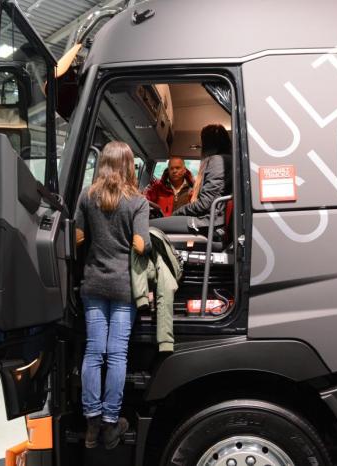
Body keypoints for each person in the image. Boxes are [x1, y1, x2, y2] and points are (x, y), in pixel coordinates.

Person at [75, 141, 150, 450]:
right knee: (117, 354)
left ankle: (91, 422)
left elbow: (78, 238)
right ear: (129, 165)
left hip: (93, 282)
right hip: (122, 286)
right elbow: (141, 245)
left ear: (103, 163)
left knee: (94, 351)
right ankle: (110, 422)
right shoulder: (137, 201)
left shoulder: (87, 196)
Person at [151, 124, 232, 233]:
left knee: (149, 226)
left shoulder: (217, 161)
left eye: (203, 142)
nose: (202, 146)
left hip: (209, 223)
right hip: (213, 221)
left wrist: (176, 213)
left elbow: (205, 204)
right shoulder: (228, 160)